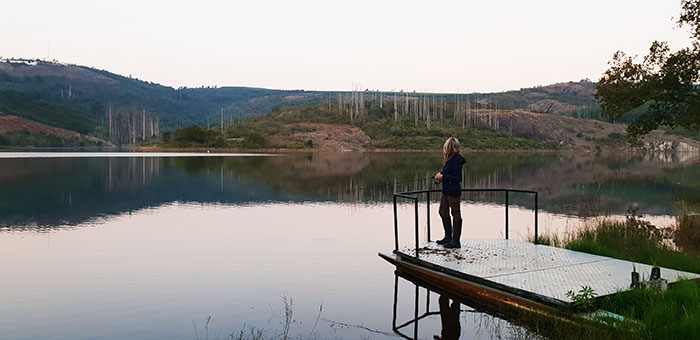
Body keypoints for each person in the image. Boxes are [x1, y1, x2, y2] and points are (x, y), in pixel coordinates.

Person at [435, 137, 466, 249]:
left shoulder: (456, 160)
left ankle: (456, 242)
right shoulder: (450, 159)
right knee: (442, 212)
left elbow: (458, 178)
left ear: (449, 147)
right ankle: (448, 237)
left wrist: (443, 176)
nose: (445, 149)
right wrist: (441, 175)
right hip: (446, 191)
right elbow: (449, 173)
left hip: (453, 192)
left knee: (456, 215)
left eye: (446, 147)